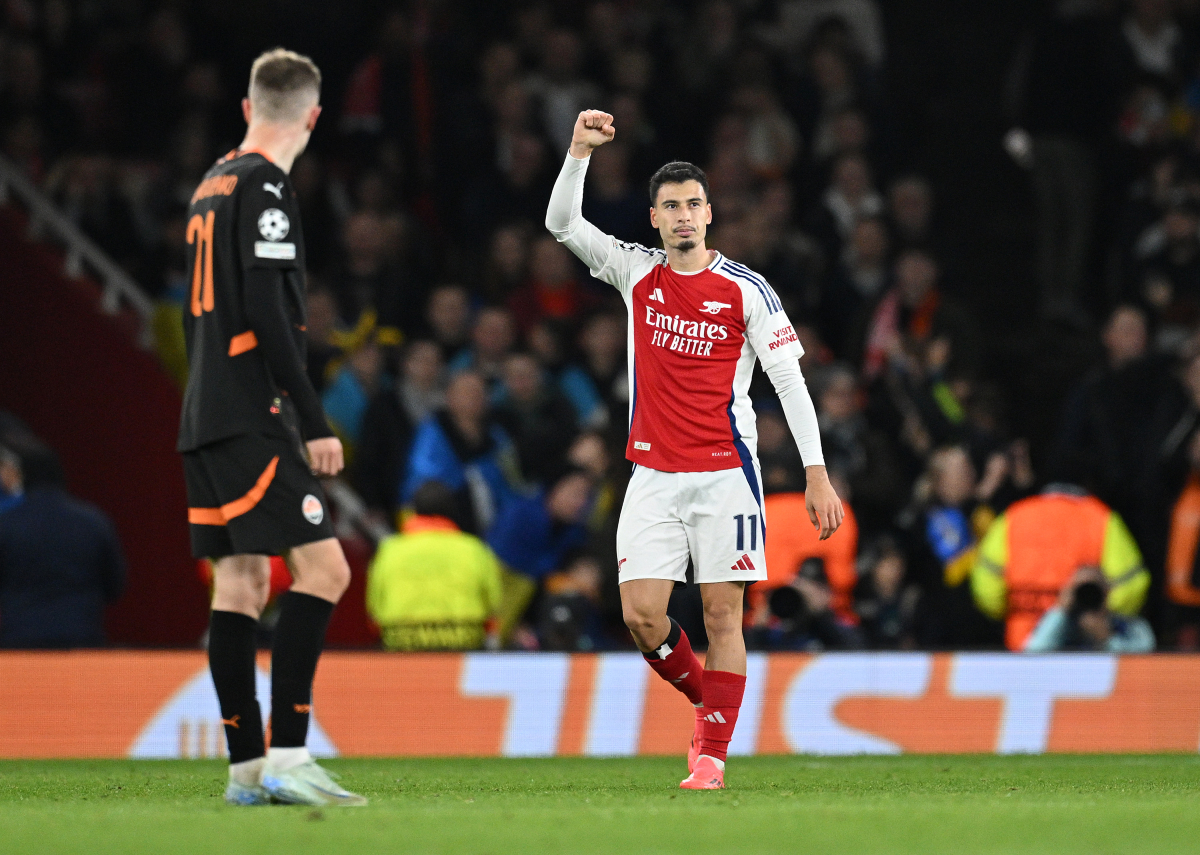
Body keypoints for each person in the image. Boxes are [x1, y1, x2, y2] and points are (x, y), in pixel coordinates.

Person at [546, 110, 843, 789]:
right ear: (654, 218)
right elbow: (563, 224)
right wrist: (578, 153)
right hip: (651, 473)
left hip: (725, 477)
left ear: (709, 214)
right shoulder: (635, 272)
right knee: (642, 616)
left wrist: (817, 474)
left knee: (721, 613)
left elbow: (790, 383)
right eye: (671, 206)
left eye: (694, 204)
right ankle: (713, 696)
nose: (684, 216)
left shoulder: (746, 290)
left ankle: (710, 754)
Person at [175, 49, 365, 807]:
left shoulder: (211, 182)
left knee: (242, 581)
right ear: (313, 117)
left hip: (203, 411)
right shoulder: (267, 186)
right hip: (253, 412)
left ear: (249, 106)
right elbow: (264, 311)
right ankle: (288, 752)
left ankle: (247, 770)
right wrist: (312, 419)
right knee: (326, 571)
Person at [970, 485, 1150, 651]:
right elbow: (1131, 587)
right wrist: (1105, 610)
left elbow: (986, 589)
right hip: (1075, 654)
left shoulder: (1013, 516)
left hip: (1023, 645)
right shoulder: (1100, 517)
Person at [0, 441, 126, 648]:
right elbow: (115, 585)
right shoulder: (93, 521)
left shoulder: (6, 524)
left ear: (23, 477)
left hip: (20, 641)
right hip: (82, 638)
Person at [366, 481, 502, 651]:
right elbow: (493, 606)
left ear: (414, 512)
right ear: (452, 512)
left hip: (402, 643)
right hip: (461, 642)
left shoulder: (389, 550)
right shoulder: (474, 549)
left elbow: (374, 610)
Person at [1024, 569, 1155, 653]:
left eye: (1093, 589)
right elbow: (1032, 652)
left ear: (1107, 592)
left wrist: (1107, 640)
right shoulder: (1061, 624)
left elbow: (1146, 656)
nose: (1088, 595)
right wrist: (1060, 611)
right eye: (1081, 589)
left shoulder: (1130, 626)